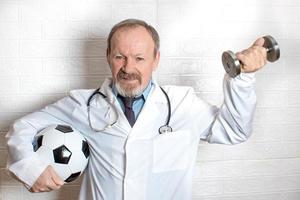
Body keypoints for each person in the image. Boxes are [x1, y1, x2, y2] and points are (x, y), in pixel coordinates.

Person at [6, 19, 267, 200]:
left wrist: (242, 78)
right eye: (120, 57)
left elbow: (234, 131)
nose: (128, 68)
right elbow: (21, 127)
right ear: (108, 56)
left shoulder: (182, 103)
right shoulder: (82, 104)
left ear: (156, 59)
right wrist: (30, 167)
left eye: (139, 58)